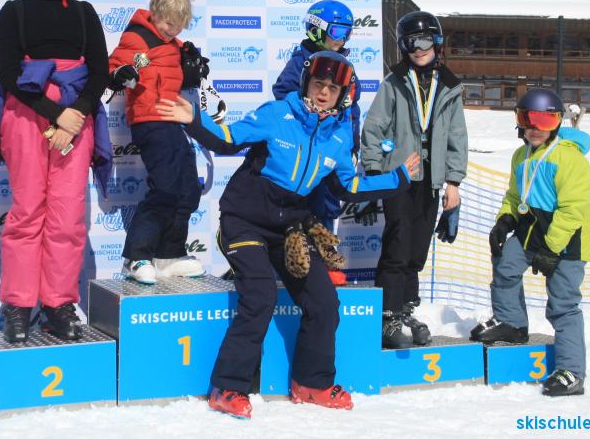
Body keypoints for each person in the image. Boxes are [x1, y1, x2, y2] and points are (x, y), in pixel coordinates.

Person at [157, 51, 418, 419]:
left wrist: (398, 178)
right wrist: (195, 120)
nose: (323, 92)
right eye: (318, 84)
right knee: (260, 296)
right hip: (244, 221)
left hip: (289, 230)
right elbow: (229, 138)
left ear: (342, 95)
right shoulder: (278, 113)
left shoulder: (340, 134)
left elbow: (348, 185)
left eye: (332, 88)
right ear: (306, 84)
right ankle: (227, 387)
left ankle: (312, 384)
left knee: (324, 302)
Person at [0, 0, 109, 343]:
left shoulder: (84, 13)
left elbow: (100, 71)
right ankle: (19, 306)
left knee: (66, 217)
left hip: (77, 116)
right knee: (27, 213)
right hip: (28, 114)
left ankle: (58, 304)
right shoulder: (13, 12)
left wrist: (76, 114)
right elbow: (9, 74)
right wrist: (56, 115)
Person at [471, 88, 590, 397]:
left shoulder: (569, 158)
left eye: (545, 121)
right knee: (505, 264)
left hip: (567, 242)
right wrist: (505, 221)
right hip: (530, 233)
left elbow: (572, 211)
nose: (535, 128)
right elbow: (515, 196)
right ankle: (512, 323)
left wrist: (551, 249)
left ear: (557, 123)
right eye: (528, 119)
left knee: (562, 305)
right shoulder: (520, 156)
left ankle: (572, 372)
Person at [359, 11, 467, 349]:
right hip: (399, 176)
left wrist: (453, 182)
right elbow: (373, 128)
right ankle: (387, 315)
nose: (418, 49)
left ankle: (405, 309)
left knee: (417, 247)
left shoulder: (449, 86)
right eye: (410, 43)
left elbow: (457, 136)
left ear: (437, 42)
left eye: (424, 41)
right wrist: (374, 174)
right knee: (398, 243)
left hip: (431, 179)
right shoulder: (394, 83)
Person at [108, 0, 206, 284]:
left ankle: (169, 255)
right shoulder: (137, 37)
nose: (170, 30)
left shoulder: (175, 45)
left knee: (188, 188)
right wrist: (121, 73)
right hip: (149, 119)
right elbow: (115, 66)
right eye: (167, 23)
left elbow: (178, 75)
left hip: (172, 120)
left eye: (178, 26)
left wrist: (194, 65)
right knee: (165, 188)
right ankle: (136, 257)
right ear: (155, 14)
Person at [272, 0, 360, 285]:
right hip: (307, 147)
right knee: (301, 205)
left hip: (333, 146)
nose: (342, 39)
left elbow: (352, 109)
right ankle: (291, 262)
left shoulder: (345, 66)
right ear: (316, 29)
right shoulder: (302, 61)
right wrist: (307, 110)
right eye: (336, 31)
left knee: (328, 202)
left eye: (347, 33)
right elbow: (283, 91)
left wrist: (353, 144)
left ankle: (325, 260)